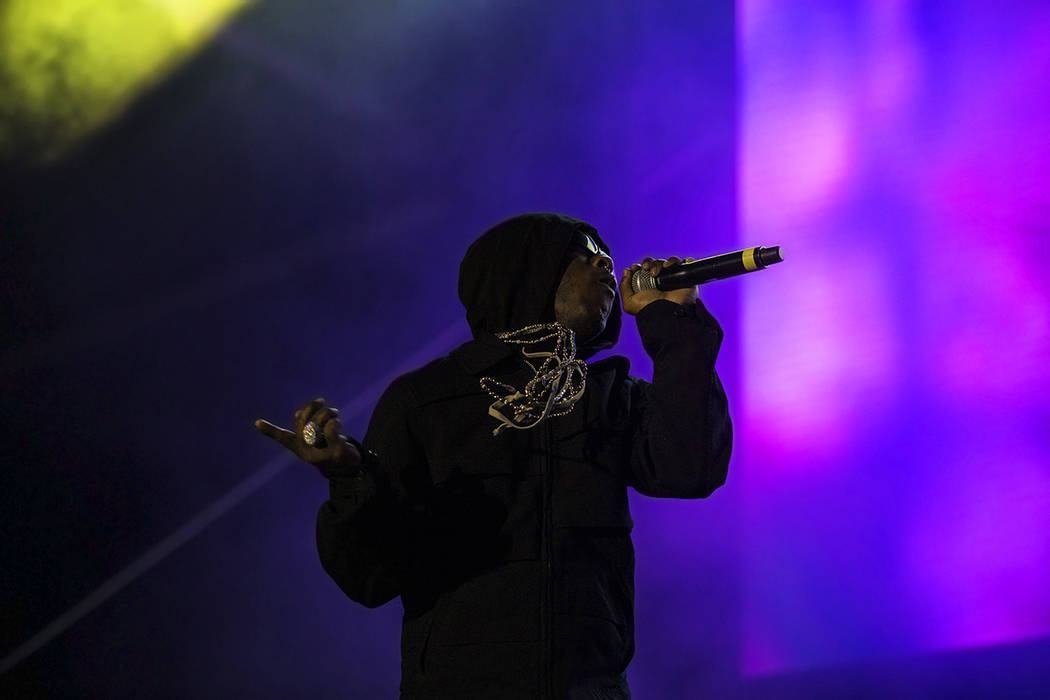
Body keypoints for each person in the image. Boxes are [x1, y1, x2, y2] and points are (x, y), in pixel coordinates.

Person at [255, 212, 732, 699]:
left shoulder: (610, 396)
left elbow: (691, 468)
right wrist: (351, 477)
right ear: (529, 269)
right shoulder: (426, 401)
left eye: (607, 258)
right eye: (587, 255)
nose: (608, 266)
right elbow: (370, 577)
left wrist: (673, 323)